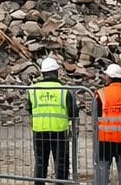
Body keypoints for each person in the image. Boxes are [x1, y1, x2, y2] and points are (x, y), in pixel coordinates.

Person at [28, 55, 79, 184]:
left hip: (39, 131)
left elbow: (30, 108)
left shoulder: (33, 89)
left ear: (42, 73)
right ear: (56, 72)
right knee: (61, 164)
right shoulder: (64, 89)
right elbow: (74, 111)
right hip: (59, 132)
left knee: (40, 163)